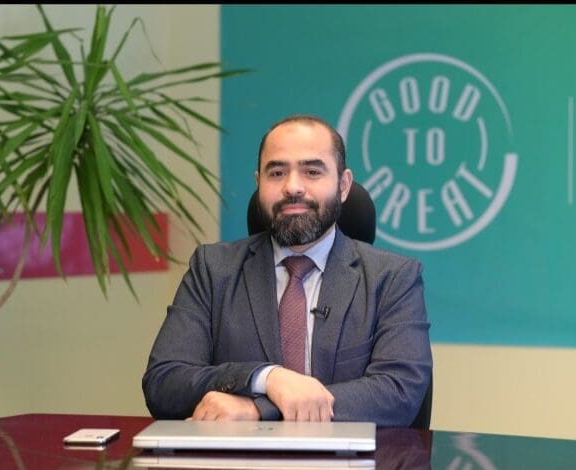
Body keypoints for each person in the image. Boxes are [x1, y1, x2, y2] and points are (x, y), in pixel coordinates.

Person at [142, 114, 432, 425]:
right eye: (277, 173)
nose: (292, 187)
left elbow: (400, 393)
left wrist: (260, 410)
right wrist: (266, 378)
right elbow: (164, 382)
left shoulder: (393, 277)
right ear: (259, 184)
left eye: (312, 171)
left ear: (343, 185)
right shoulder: (212, 269)